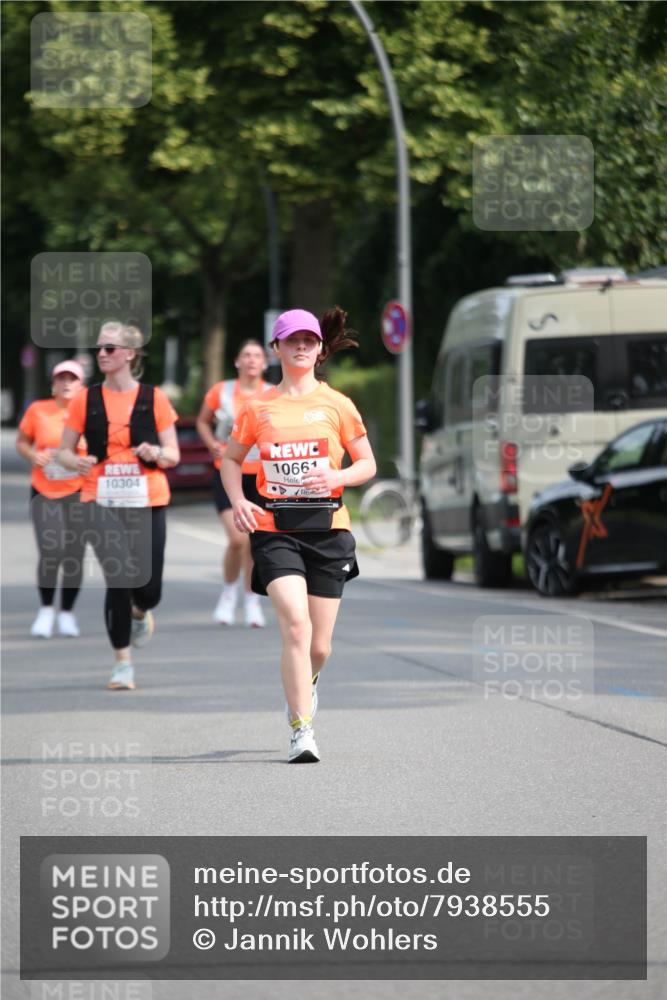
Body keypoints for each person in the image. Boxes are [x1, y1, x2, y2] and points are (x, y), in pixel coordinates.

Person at [222, 307, 377, 763]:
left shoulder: (338, 404)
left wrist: (338, 478)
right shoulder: (258, 407)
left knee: (319, 646)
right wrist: (239, 500)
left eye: (310, 340)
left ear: (320, 348)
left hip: (328, 531)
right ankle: (301, 728)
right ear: (278, 348)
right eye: (293, 340)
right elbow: (231, 461)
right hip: (275, 530)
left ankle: (307, 684)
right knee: (294, 623)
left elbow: (367, 464)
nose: (302, 347)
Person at [58, 322, 180, 691]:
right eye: (99, 349)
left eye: (109, 348)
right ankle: (122, 664)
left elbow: (172, 454)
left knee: (149, 589)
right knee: (120, 576)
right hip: (100, 498)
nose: (102, 354)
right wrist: (72, 461)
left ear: (130, 353)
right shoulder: (85, 399)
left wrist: (155, 452)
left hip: (148, 499)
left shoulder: (154, 398)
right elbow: (63, 450)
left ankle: (142, 612)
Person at [196, 339, 268, 627]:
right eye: (246, 355)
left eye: (257, 356)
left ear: (264, 363)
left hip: (261, 475)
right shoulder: (221, 391)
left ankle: (252, 600)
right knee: (237, 539)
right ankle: (228, 593)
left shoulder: (273, 394)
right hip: (228, 473)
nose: (251, 360)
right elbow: (203, 421)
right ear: (237, 361)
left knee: (254, 541)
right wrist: (211, 443)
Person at [16, 359, 87, 638]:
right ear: (53, 384)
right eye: (61, 378)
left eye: (72, 379)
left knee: (74, 555)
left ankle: (67, 613)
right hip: (44, 490)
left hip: (79, 491)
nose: (66, 383)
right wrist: (33, 455)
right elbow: (21, 441)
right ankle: (46, 610)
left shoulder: (88, 414)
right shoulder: (38, 410)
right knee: (51, 549)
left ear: (81, 386)